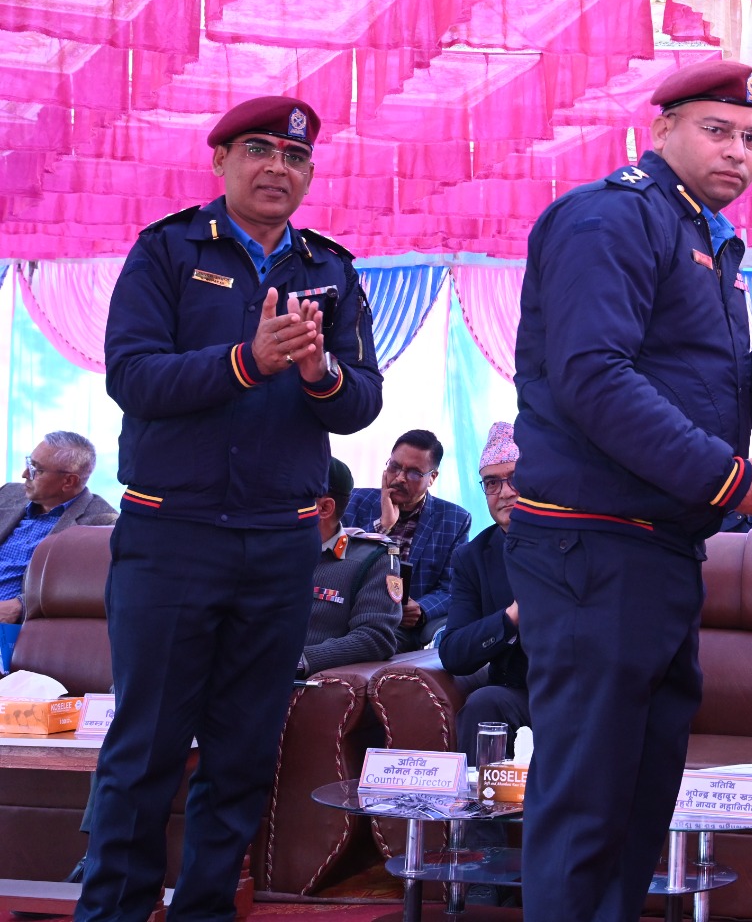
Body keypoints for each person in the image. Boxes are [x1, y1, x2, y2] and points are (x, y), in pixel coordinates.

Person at [507, 59, 752, 922]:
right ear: (661, 130)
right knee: (587, 800)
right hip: (594, 545)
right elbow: (594, 378)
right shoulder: (612, 217)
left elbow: (699, 392)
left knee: (638, 798)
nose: (737, 151)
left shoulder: (701, 235)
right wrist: (732, 479)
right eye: (716, 131)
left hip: (658, 548)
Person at [81, 95, 382, 922]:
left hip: (281, 544)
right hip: (172, 534)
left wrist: (320, 375)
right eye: (258, 150)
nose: (277, 167)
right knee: (145, 749)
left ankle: (207, 910)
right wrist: (246, 362)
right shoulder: (168, 250)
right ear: (220, 161)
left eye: (295, 157)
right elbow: (132, 376)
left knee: (245, 753)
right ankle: (111, 912)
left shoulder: (331, 268)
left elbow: (362, 401)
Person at [439, 423, 529, 764]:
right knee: (484, 704)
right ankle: (480, 801)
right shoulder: (473, 557)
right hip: (521, 692)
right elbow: (454, 653)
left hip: (582, 691)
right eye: (492, 482)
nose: (505, 492)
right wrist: (511, 617)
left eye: (515, 478)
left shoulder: (581, 539)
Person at [344, 429, 472, 648]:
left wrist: (422, 609)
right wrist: (383, 525)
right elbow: (333, 561)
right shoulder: (355, 501)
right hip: (345, 612)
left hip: (396, 626)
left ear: (432, 477)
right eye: (394, 467)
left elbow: (453, 587)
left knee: (371, 641)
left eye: (413, 473)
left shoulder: (454, 520)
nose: (399, 478)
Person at [0, 432, 118, 626]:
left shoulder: (102, 524)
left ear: (69, 481)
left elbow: (86, 588)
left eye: (36, 469)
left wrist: (21, 605)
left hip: (17, 629)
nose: (25, 474)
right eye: (29, 462)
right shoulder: (8, 494)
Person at [300, 457, 402, 677]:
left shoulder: (372, 559)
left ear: (324, 508)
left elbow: (376, 637)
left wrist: (299, 661)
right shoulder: (262, 550)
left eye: (288, 498)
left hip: (310, 685)